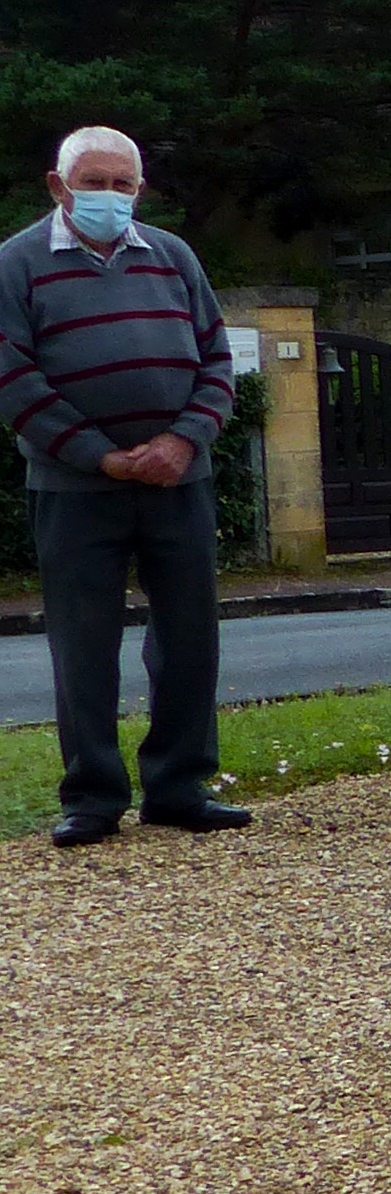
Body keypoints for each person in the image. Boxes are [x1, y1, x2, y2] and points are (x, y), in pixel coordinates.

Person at [4, 127, 249, 847]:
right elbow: (13, 379)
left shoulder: (173, 256)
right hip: (73, 489)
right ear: (57, 184)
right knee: (83, 643)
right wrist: (97, 455)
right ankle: (92, 795)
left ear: (139, 190)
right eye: (93, 180)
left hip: (181, 478)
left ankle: (179, 785)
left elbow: (216, 360)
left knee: (189, 637)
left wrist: (182, 441)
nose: (108, 195)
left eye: (122, 183)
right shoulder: (15, 264)